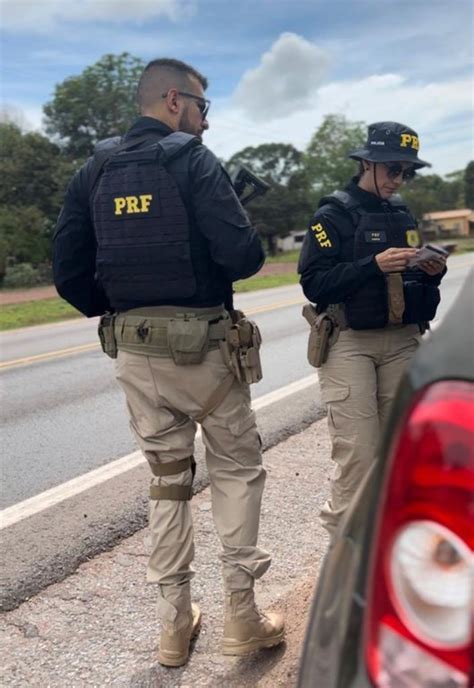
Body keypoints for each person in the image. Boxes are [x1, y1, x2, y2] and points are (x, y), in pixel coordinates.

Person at [53, 57, 284, 667]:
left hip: (133, 350)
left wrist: (127, 312)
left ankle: (174, 629)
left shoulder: (94, 168)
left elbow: (69, 273)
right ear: (176, 101)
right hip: (206, 349)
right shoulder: (193, 159)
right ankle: (243, 618)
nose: (207, 122)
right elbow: (243, 257)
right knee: (235, 469)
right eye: (204, 107)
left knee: (167, 482)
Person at [298, 121, 446, 537]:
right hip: (351, 344)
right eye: (392, 169)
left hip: (403, 340)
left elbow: (415, 279)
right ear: (367, 163)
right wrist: (372, 265)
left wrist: (431, 271)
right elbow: (315, 283)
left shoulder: (402, 213)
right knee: (360, 455)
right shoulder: (333, 214)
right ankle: (346, 550)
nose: (398, 180)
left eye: (406, 172)